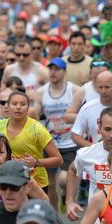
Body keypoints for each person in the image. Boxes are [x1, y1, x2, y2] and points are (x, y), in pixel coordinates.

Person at [30, 57, 79, 207]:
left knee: (64, 179)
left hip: (69, 141)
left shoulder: (75, 90)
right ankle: (53, 219)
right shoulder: (40, 92)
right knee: (50, 185)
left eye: (57, 69)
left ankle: (65, 194)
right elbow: (35, 115)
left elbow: (82, 114)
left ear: (64, 71)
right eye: (50, 69)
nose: (53, 72)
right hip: (49, 142)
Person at [0, 90, 63, 190]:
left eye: (23, 104)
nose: (18, 107)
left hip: (35, 184)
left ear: (28, 107)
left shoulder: (37, 129)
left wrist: (36, 162)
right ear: (7, 106)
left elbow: (58, 159)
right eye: (14, 103)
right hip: (7, 180)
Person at [71, 70, 112, 147]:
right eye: (100, 87)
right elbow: (75, 134)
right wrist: (93, 149)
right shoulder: (87, 108)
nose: (104, 91)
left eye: (107, 87)